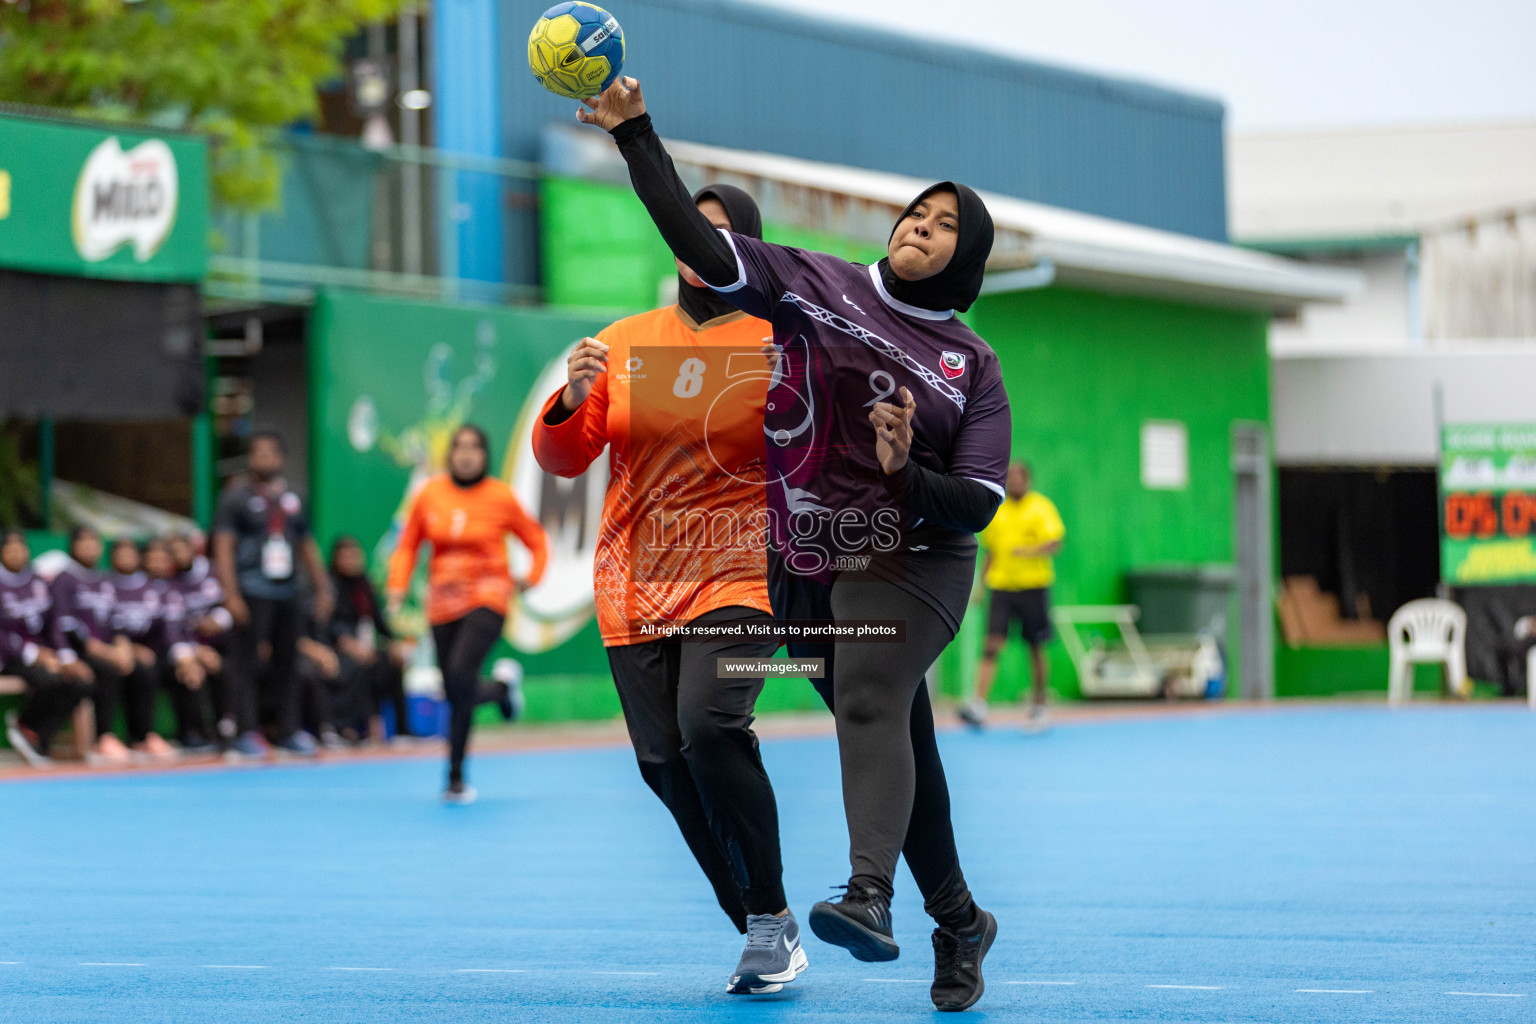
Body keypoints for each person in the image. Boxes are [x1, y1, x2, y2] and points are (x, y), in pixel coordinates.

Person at [578, 80, 1009, 1011]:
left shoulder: (969, 363)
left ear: (964, 257)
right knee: (903, 745)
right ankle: (962, 919)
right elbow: (701, 245)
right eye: (916, 212)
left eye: (944, 225)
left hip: (911, 557)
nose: (920, 227)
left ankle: (869, 896)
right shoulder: (819, 285)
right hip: (806, 559)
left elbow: (974, 501)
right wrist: (633, 134)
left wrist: (902, 470)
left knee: (863, 696)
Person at [533, 184, 807, 995]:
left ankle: (767, 922)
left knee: (709, 726)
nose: (697, 242)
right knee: (663, 764)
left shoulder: (778, 341)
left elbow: (816, 456)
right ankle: (766, 922)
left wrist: (792, 399)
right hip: (636, 581)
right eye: (687, 227)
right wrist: (572, 400)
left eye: (718, 232)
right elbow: (565, 459)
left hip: (737, 571)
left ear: (746, 250)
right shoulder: (624, 342)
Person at [386, 424, 548, 804]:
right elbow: (408, 545)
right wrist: (397, 586)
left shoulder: (501, 497)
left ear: (485, 455)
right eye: (459, 447)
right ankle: (500, 693)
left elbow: (537, 541)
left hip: (488, 596)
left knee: (460, 674)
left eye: (474, 447)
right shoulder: (430, 495)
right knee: (454, 688)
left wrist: (531, 578)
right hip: (441, 603)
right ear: (450, 455)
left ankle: (455, 776)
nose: (466, 454)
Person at [213, 430, 334, 758]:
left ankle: (288, 730)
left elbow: (306, 544)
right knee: (246, 662)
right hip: (252, 589)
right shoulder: (235, 497)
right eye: (257, 453)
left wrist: (322, 586)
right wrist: (231, 594)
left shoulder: (295, 496)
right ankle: (245, 731)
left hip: (289, 590)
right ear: (250, 458)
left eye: (270, 453)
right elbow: (223, 546)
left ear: (281, 458)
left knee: (288, 661)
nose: (264, 459)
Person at [963, 462, 1064, 729]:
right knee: (991, 645)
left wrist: (1028, 551)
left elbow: (1055, 542)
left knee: (1035, 647)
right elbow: (990, 553)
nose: (1014, 482)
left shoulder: (1041, 507)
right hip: (1001, 588)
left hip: (1034, 587)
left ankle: (1040, 705)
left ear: (1028, 479)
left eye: (1019, 478)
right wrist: (980, 586)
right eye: (1011, 478)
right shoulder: (998, 511)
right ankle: (978, 705)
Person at [2, 529, 92, 767]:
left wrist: (65, 657)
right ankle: (27, 727)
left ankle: (36, 734)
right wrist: (34, 654)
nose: (15, 553)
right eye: (9, 549)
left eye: (20, 548)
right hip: (9, 656)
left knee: (82, 679)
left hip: (45, 655)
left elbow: (54, 623)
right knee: (50, 679)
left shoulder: (38, 581)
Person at [48, 526, 137, 765]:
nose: (89, 547)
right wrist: (102, 651)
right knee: (106, 671)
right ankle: (103, 737)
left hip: (107, 650)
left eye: (94, 541)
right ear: (73, 546)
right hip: (76, 651)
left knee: (142, 669)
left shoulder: (105, 579)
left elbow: (117, 620)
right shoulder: (64, 579)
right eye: (83, 541)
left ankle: (140, 736)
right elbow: (66, 625)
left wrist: (123, 647)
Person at [108, 538, 200, 761]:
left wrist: (187, 656)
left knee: (184, 669)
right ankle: (137, 736)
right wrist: (129, 646)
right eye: (153, 558)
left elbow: (169, 629)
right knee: (142, 670)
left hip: (155, 652)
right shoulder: (109, 584)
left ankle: (196, 733)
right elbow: (105, 622)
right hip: (119, 651)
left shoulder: (163, 589)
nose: (158, 563)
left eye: (163, 559)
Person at [329, 535, 415, 743]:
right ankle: (363, 728)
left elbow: (378, 621)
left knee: (392, 663)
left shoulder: (365, 586)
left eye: (355, 556)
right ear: (336, 559)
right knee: (359, 667)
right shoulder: (330, 586)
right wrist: (347, 642)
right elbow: (328, 623)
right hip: (338, 648)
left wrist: (395, 644)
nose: (351, 561)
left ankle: (403, 730)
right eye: (346, 557)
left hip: (365, 647)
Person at [166, 533, 233, 751]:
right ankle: (195, 733)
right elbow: (174, 627)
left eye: (181, 549)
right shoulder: (170, 585)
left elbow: (232, 604)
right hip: (193, 648)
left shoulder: (215, 571)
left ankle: (230, 728)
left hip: (224, 643)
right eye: (173, 552)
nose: (178, 555)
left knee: (227, 668)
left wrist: (218, 621)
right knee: (189, 673)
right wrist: (193, 654)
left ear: (193, 548)